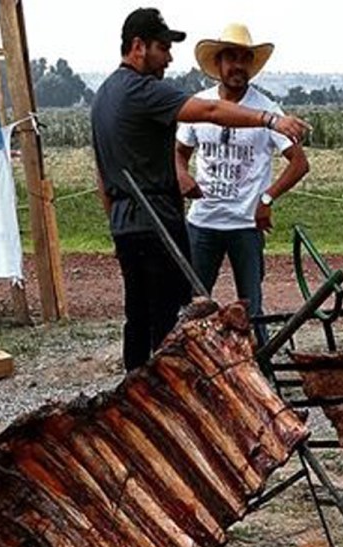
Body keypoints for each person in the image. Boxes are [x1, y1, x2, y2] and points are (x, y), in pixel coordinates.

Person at [91, 8, 309, 370]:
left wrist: (114, 222)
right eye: (163, 47)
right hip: (160, 225)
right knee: (169, 320)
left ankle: (137, 388)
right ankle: (170, 394)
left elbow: (102, 173)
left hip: (130, 226)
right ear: (139, 46)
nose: (169, 57)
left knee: (140, 316)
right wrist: (270, 120)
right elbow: (208, 112)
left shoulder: (103, 95)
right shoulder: (145, 91)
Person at [175, 23, 310, 346]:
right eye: (231, 58)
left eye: (244, 59)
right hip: (202, 221)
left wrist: (266, 198)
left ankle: (260, 371)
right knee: (194, 304)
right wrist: (181, 174)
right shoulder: (201, 104)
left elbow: (299, 162)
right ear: (218, 64)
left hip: (245, 224)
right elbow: (179, 152)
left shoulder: (267, 109)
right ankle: (192, 365)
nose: (238, 66)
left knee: (252, 306)